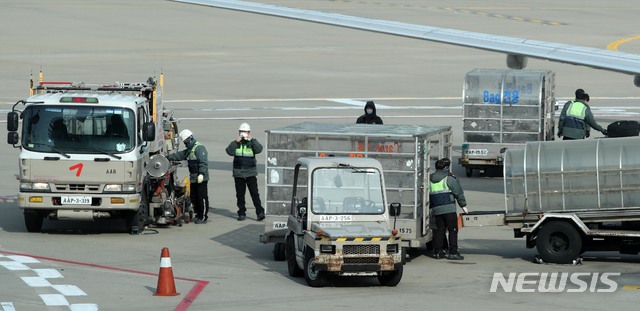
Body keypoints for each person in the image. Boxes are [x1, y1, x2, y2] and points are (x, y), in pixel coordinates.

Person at [167, 129, 210, 224]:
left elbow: (203, 163)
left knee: (201, 197)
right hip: (194, 177)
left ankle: (203, 216)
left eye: (186, 141)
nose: (185, 143)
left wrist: (202, 174)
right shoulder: (189, 150)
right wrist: (168, 157)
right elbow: (180, 155)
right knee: (194, 197)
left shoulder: (199, 148)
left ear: (190, 138)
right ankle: (198, 214)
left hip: (200, 178)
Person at [225, 122, 266, 221]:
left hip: (250, 172)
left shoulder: (251, 143)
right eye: (242, 131)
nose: (243, 133)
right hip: (238, 173)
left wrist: (252, 139)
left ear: (248, 132)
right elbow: (229, 151)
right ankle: (241, 213)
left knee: (255, 194)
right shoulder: (236, 143)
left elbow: (259, 149)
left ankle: (260, 212)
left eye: (245, 132)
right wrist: (236, 141)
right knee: (240, 195)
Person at [429, 158, 468, 260]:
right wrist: (463, 205)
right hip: (449, 209)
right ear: (446, 168)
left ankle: (438, 252)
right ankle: (453, 252)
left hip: (436, 210)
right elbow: (458, 192)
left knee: (439, 231)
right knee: (452, 230)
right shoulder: (449, 179)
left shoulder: (429, 178)